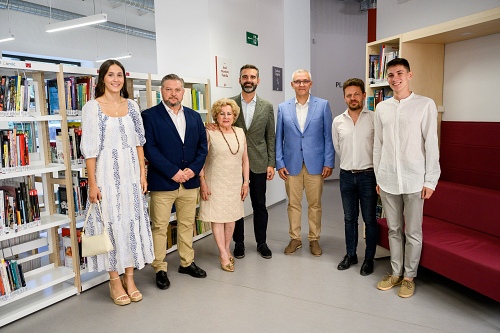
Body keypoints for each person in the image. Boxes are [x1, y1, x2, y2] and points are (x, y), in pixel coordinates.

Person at [80, 59, 154, 306]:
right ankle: (114, 279)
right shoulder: (92, 107)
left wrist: (143, 174)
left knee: (132, 223)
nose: (115, 79)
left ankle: (130, 277)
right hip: (106, 178)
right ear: (102, 78)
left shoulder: (132, 105)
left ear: (124, 79)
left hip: (131, 176)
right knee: (110, 224)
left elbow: (139, 143)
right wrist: (92, 184)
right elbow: (90, 150)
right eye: (110, 75)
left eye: (119, 75)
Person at [373, 58, 440, 298]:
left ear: (409, 75)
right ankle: (395, 272)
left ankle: (409, 276)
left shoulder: (425, 105)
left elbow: (431, 143)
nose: (395, 79)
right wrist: (378, 177)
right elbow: (378, 146)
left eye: (399, 73)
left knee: (413, 232)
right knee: (393, 229)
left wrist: (430, 180)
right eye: (390, 75)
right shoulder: (382, 108)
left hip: (414, 180)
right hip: (389, 179)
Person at [142, 74, 208, 290]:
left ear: (183, 92)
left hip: (189, 182)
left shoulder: (194, 116)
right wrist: (173, 172)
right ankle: (160, 268)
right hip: (163, 182)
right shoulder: (150, 116)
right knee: (160, 226)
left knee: (187, 223)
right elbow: (149, 149)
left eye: (177, 89)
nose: (173, 93)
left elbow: (202, 147)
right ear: (162, 91)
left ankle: (186, 262)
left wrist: (192, 170)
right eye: (168, 89)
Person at [206, 64, 276, 259]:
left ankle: (262, 242)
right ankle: (239, 243)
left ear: (258, 81)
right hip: (233, 164)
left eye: (252, 77)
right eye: (245, 76)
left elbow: (271, 136)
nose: (248, 80)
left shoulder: (267, 106)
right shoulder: (229, 104)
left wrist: (271, 163)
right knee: (235, 206)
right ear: (239, 80)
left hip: (260, 162)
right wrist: (209, 123)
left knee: (259, 205)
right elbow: (220, 122)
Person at [276, 69, 334, 256]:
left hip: (315, 164)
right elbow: (279, 138)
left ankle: (314, 239)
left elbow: (328, 136)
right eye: (297, 81)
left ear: (311, 83)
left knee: (314, 204)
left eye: (305, 81)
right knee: (293, 204)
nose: (301, 84)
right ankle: (295, 239)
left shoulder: (323, 105)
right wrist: (279, 162)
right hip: (291, 164)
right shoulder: (283, 108)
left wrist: (328, 161)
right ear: (292, 85)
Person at [332, 78, 378, 276]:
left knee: (369, 220)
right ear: (344, 98)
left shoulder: (374, 118)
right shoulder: (338, 121)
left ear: (363, 96)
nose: (353, 98)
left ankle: (369, 258)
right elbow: (338, 148)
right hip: (347, 176)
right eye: (349, 95)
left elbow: (379, 147)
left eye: (356, 94)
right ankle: (351, 254)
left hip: (368, 176)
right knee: (349, 218)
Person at [199, 98, 250, 272]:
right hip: (215, 182)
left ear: (234, 116)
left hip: (234, 183)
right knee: (218, 218)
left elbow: (245, 159)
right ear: (216, 116)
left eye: (229, 113)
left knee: (231, 217)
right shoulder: (209, 132)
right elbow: (201, 160)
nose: (226, 117)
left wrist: (246, 182)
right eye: (222, 113)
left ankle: (227, 247)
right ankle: (222, 253)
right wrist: (202, 181)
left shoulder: (240, 132)